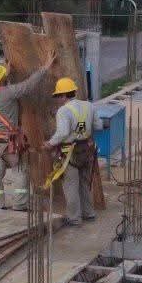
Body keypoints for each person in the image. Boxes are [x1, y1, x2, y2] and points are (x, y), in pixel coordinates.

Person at [0, 61, 51, 211]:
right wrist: (45, 68)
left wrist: (4, 74)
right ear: (1, 79)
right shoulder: (7, 93)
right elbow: (28, 86)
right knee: (20, 170)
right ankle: (20, 204)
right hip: (10, 142)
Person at [45, 76, 97, 225]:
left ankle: (74, 218)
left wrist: (50, 143)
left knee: (71, 186)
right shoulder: (89, 106)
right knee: (84, 184)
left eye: (58, 96)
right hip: (86, 150)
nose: (58, 99)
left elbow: (62, 133)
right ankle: (89, 213)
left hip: (70, 153)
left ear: (63, 95)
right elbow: (98, 125)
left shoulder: (63, 111)